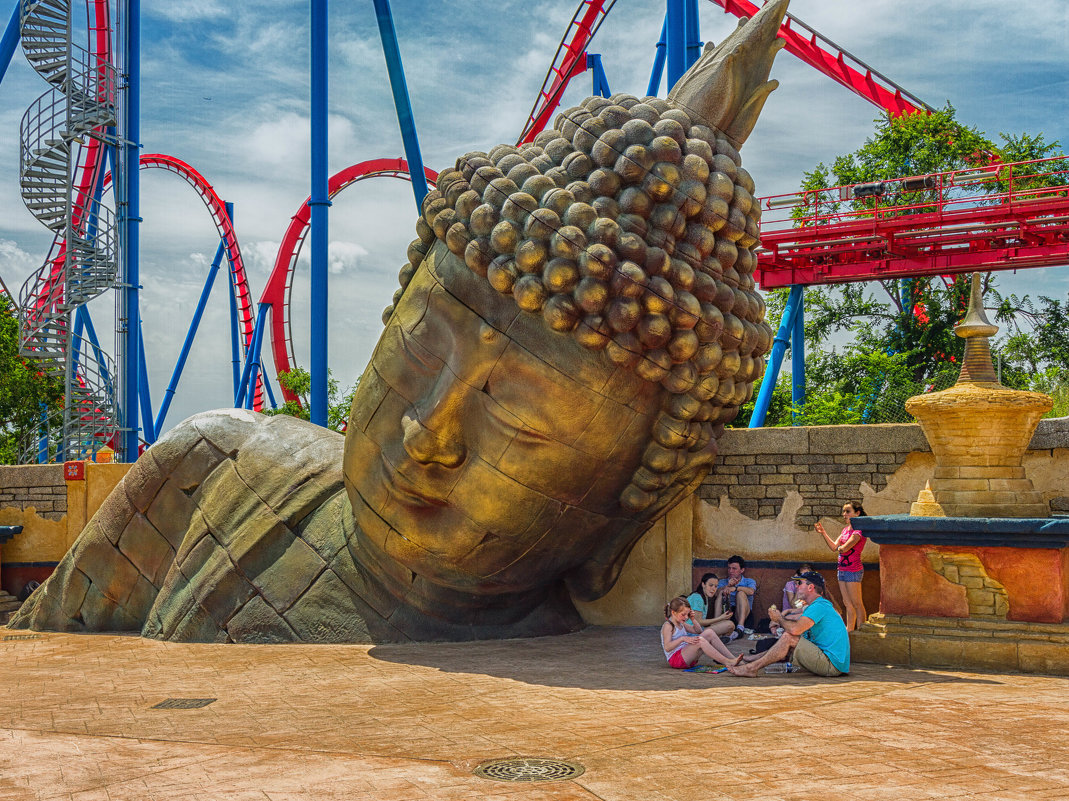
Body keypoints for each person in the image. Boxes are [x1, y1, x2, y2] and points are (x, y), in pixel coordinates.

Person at [9, 3, 788, 644]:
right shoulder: (210, 467)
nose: (428, 431)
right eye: (419, 348)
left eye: (516, 419)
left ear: (625, 512)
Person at [728, 571, 849, 677]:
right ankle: (751, 661)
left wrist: (779, 619)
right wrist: (780, 620)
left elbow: (795, 630)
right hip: (830, 662)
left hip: (831, 665)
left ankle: (751, 669)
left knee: (788, 637)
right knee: (788, 639)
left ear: (810, 587)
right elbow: (795, 626)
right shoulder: (815, 606)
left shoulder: (819, 606)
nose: (796, 587)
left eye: (800, 583)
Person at [815, 501, 868, 631]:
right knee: (847, 603)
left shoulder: (859, 531)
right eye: (843, 511)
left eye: (848, 511)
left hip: (853, 570)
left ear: (857, 513)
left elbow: (843, 549)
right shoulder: (845, 530)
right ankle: (849, 630)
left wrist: (841, 548)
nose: (844, 514)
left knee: (857, 603)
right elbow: (835, 547)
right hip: (842, 569)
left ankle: (862, 631)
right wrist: (823, 533)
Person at [661, 597, 742, 670]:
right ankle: (727, 661)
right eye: (683, 614)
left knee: (709, 632)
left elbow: (698, 631)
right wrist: (682, 639)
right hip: (676, 660)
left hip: (687, 656)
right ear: (673, 612)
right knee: (700, 640)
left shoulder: (681, 623)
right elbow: (667, 647)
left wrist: (693, 619)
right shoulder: (668, 626)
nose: (686, 617)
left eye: (687, 614)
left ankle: (732, 659)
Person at [714, 555, 756, 638]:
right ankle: (715, 625)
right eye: (729, 568)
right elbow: (715, 594)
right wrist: (727, 586)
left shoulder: (749, 581)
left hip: (743, 615)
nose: (730, 571)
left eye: (734, 568)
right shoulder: (723, 582)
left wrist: (736, 588)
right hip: (727, 614)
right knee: (721, 593)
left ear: (742, 570)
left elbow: (751, 591)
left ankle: (740, 628)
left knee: (740, 593)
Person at [686, 573, 735, 638]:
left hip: (698, 631)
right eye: (710, 585)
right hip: (691, 633)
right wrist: (721, 618)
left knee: (728, 625)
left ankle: (718, 639)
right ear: (703, 584)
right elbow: (699, 622)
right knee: (729, 625)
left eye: (715, 586)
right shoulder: (697, 597)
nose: (713, 589)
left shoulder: (704, 596)